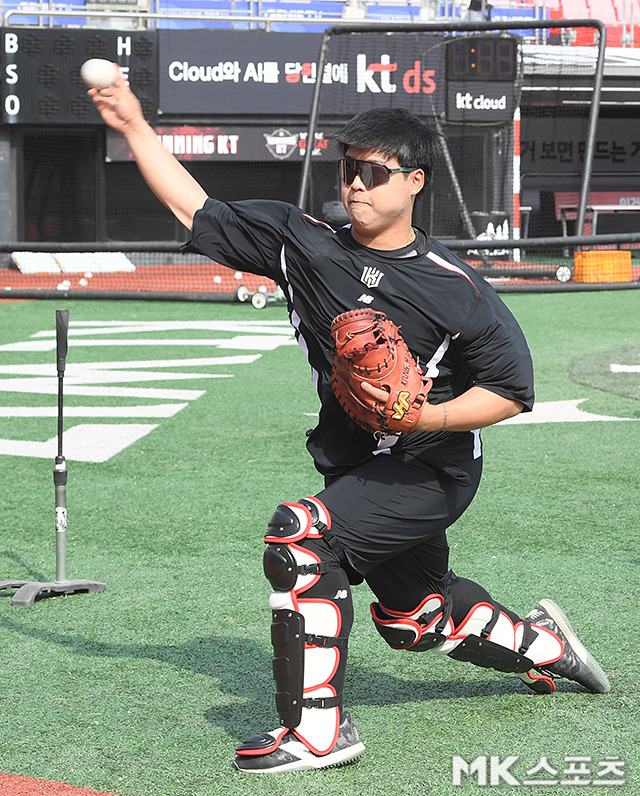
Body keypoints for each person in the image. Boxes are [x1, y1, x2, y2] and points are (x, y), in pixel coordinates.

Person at [90, 73, 610, 775]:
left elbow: (513, 391)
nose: (357, 183)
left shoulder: (453, 289)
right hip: (358, 467)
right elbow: (195, 208)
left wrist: (430, 412)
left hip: (434, 467)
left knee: (301, 537)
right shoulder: (303, 242)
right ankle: (546, 646)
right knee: (416, 619)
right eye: (349, 167)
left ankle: (317, 732)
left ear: (415, 180)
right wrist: (130, 122)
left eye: (375, 171)